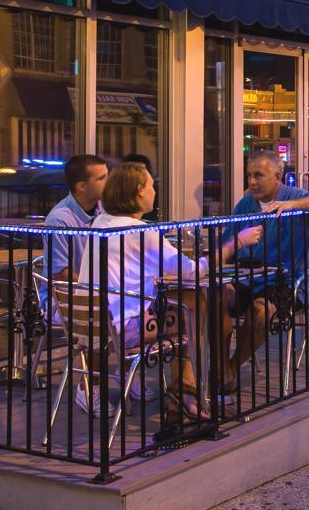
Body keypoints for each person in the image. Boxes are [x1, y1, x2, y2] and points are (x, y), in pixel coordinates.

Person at [83, 163, 257, 420]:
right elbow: (191, 271)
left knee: (191, 303)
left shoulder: (101, 223)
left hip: (92, 323)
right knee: (193, 310)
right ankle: (186, 395)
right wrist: (236, 243)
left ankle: (186, 394)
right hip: (124, 327)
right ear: (139, 190)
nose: (155, 191)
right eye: (152, 186)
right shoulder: (141, 230)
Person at [226, 151, 309, 372]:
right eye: (249, 176)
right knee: (215, 300)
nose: (252, 182)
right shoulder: (245, 204)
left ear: (277, 177)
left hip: (287, 282)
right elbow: (228, 243)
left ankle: (230, 368)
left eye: (258, 175)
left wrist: (293, 205)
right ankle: (219, 369)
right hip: (247, 278)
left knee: (261, 310)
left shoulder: (293, 195)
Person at [44, 154, 107, 281]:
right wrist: (95, 289)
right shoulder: (59, 220)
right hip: (66, 297)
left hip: (96, 293)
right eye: (101, 178)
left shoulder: (104, 210)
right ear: (81, 187)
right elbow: (60, 273)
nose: (109, 182)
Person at [122, 153, 158, 221]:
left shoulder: (102, 219)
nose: (154, 192)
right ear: (140, 189)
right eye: (151, 185)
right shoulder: (142, 230)